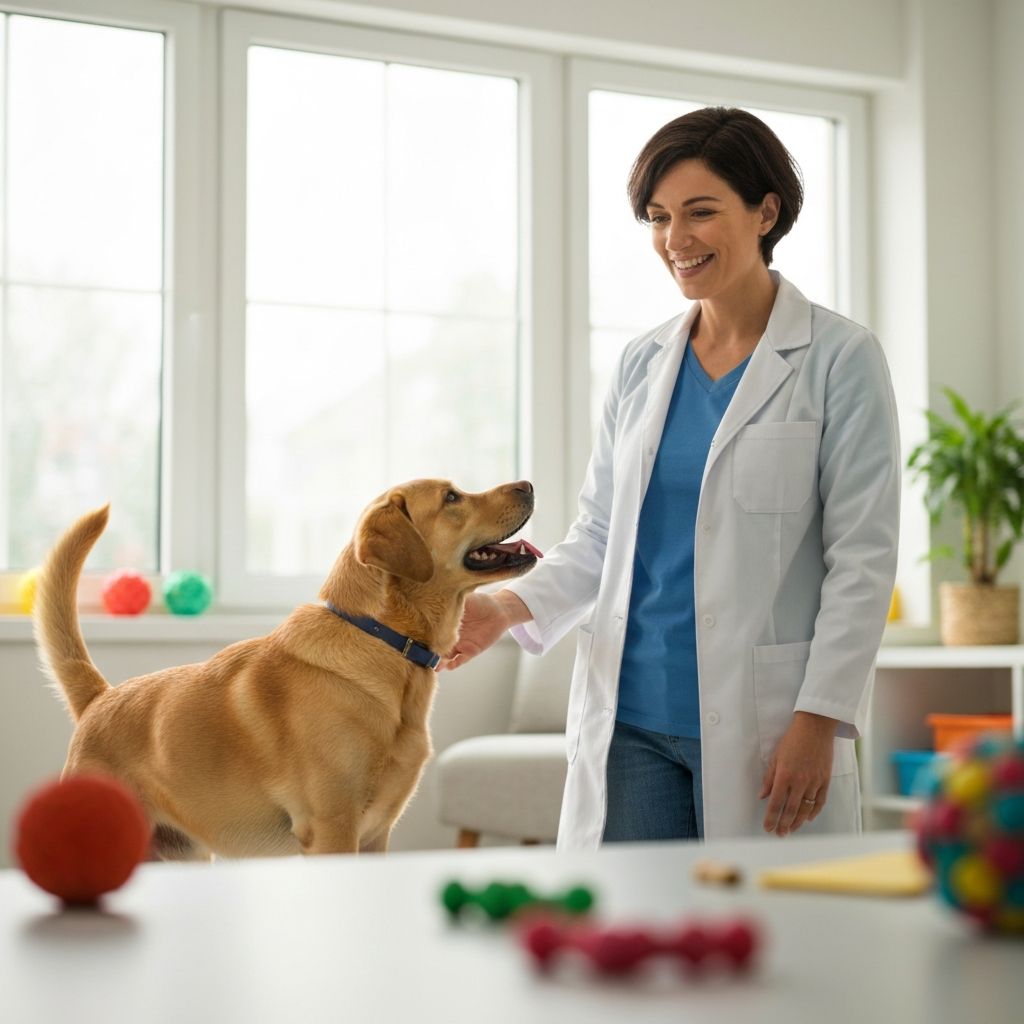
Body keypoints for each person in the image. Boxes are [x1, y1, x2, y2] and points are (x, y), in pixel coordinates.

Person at [440, 106, 900, 851]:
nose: (674, 241)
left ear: (766, 212)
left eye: (700, 213)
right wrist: (506, 605)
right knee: (639, 952)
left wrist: (820, 718)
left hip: (766, 725)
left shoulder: (839, 358)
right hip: (631, 725)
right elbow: (600, 534)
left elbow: (863, 561)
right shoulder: (642, 363)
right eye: (658, 217)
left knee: (765, 952)